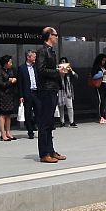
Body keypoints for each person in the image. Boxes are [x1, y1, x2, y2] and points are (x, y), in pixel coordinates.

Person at [35, 28, 66, 163]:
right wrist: (57, 71)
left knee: (50, 122)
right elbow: (41, 70)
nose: (57, 37)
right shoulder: (42, 51)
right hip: (46, 89)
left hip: (52, 88)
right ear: (49, 36)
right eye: (55, 35)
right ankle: (44, 153)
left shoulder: (51, 51)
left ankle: (51, 150)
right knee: (44, 122)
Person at [0, 55, 18, 142]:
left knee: (8, 114)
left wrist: (14, 80)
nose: (11, 63)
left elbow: (14, 80)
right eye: (9, 62)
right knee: (2, 114)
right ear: (5, 63)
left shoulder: (11, 71)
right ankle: (3, 133)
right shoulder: (0, 72)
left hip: (10, 95)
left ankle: (8, 132)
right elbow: (1, 84)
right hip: (2, 95)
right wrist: (9, 81)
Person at [18, 50, 40, 139]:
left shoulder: (36, 67)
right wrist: (21, 95)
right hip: (27, 93)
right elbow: (20, 83)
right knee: (28, 113)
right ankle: (30, 132)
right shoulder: (22, 68)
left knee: (39, 111)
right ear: (28, 57)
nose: (35, 58)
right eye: (33, 57)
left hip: (36, 92)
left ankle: (37, 126)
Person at [90, 53, 106, 124]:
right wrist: (103, 73)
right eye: (102, 60)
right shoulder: (97, 67)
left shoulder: (104, 68)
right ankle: (100, 116)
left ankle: (103, 116)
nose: (103, 62)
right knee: (100, 100)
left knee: (104, 101)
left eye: (105, 61)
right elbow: (93, 76)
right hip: (99, 85)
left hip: (105, 84)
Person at [57, 56, 78, 128]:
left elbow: (76, 76)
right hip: (60, 91)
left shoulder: (69, 72)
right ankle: (62, 121)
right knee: (61, 106)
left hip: (68, 91)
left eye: (65, 62)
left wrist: (71, 70)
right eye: (62, 62)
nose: (63, 63)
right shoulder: (57, 71)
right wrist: (59, 71)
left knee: (70, 106)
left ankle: (71, 121)